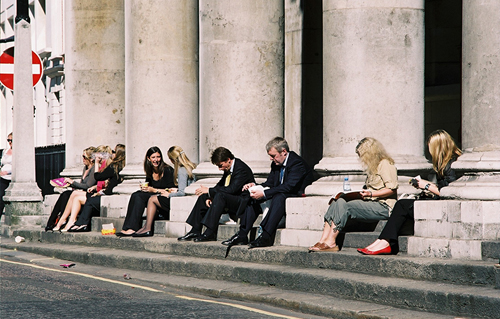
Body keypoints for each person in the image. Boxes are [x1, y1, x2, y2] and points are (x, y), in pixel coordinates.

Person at [358, 130, 462, 255]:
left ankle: (384, 242)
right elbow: (442, 187)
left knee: (402, 205)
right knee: (403, 204)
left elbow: (450, 192)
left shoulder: (453, 164)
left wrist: (427, 185)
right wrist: (423, 184)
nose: (429, 150)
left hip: (446, 206)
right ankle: (381, 241)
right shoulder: (446, 162)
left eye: (430, 147)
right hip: (438, 202)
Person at [309, 137, 398, 252]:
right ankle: (323, 240)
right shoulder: (373, 167)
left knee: (345, 205)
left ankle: (331, 242)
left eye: (362, 155)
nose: (361, 158)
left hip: (384, 206)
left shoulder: (385, 164)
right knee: (337, 201)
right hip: (371, 202)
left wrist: (370, 194)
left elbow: (392, 189)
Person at [231, 137, 314, 248]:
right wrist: (255, 186)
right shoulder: (276, 163)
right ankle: (242, 234)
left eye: (273, 155)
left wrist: (265, 193)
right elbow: (270, 183)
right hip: (282, 191)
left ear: (284, 152)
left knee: (278, 197)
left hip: (295, 193)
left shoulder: (296, 163)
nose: (271, 159)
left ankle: (266, 236)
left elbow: (289, 187)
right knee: (253, 197)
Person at [177, 147, 255, 242]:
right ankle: (195, 230)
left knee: (219, 196)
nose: (220, 169)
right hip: (230, 198)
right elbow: (220, 185)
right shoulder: (229, 168)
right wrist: (210, 195)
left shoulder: (240, 168)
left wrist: (210, 191)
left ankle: (210, 232)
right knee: (203, 197)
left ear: (228, 160)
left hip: (242, 201)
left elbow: (232, 189)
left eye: (221, 165)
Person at [133, 146, 197, 237]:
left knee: (152, 199)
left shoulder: (181, 170)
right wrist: (176, 190)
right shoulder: (190, 166)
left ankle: (147, 228)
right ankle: (146, 227)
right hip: (186, 199)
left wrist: (169, 194)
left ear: (172, 159)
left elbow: (182, 193)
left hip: (181, 202)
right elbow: (186, 188)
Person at [115, 146, 175, 236]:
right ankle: (130, 227)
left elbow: (171, 190)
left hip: (164, 199)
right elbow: (150, 188)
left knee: (139, 196)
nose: (156, 160)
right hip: (154, 196)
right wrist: (146, 189)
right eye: (153, 157)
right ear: (148, 158)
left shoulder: (167, 170)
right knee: (136, 194)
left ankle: (133, 227)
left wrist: (154, 190)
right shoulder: (150, 170)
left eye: (158, 157)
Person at [54, 145, 114, 232]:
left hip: (100, 196)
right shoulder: (93, 167)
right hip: (96, 192)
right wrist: (95, 187)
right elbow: (101, 183)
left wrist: (96, 164)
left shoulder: (103, 166)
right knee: (70, 195)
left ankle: (68, 221)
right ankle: (66, 220)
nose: (95, 158)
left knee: (75, 196)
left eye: (96, 156)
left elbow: (97, 178)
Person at [68, 144, 126, 232]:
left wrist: (96, 164)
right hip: (107, 192)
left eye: (114, 152)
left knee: (90, 200)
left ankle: (82, 224)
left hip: (108, 195)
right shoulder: (122, 166)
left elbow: (98, 177)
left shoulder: (114, 166)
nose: (112, 154)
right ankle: (77, 223)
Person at [45, 146, 97, 231]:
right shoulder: (85, 168)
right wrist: (69, 185)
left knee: (66, 195)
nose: (82, 159)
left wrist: (72, 182)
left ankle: (61, 220)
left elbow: (88, 186)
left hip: (88, 193)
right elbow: (81, 184)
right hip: (81, 192)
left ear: (91, 159)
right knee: (64, 195)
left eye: (84, 157)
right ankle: (52, 221)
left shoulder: (94, 168)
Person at [0, 132, 13, 219]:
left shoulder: (18, 152)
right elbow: (2, 163)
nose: (10, 142)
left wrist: (7, 172)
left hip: (10, 178)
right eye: (8, 140)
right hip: (2, 177)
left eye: (11, 140)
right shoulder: (5, 151)